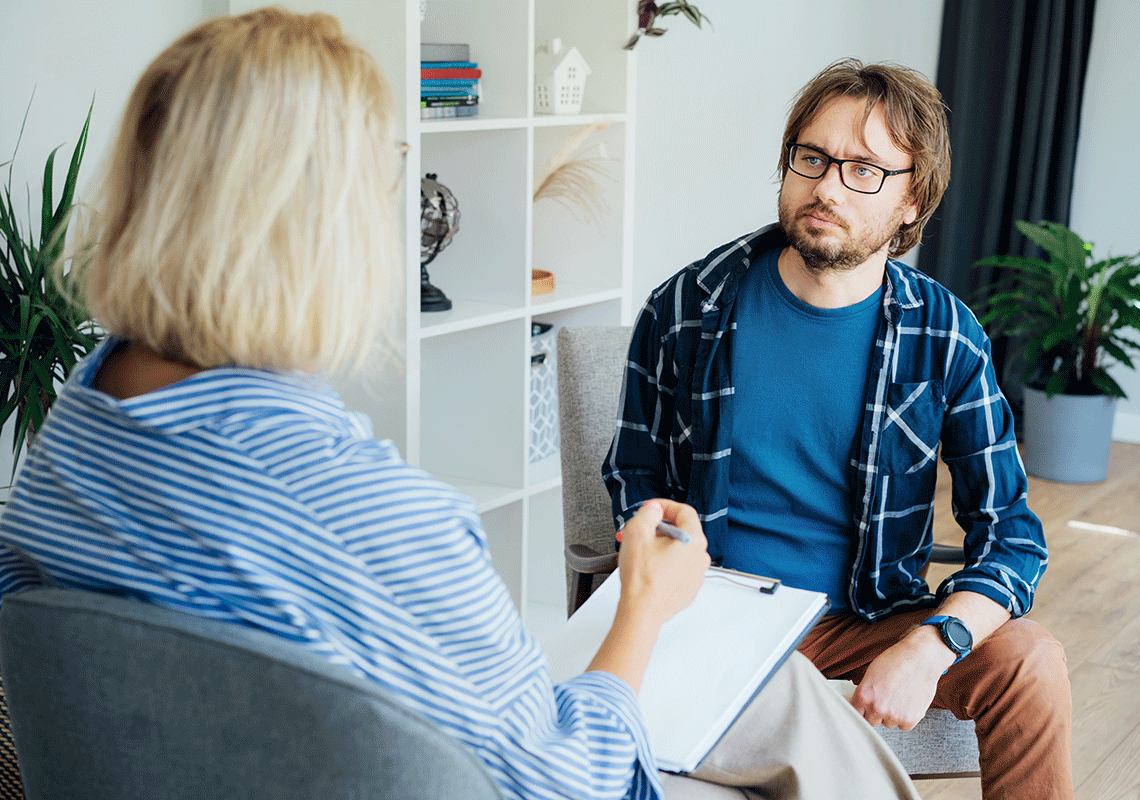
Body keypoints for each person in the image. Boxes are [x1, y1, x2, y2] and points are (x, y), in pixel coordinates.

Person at [0, 13, 922, 800]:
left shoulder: (63, 454)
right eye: (387, 169)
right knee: (781, 702)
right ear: (319, 223)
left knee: (774, 699)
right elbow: (572, 779)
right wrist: (642, 604)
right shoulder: (377, 515)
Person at [604, 58, 1073, 800]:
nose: (825, 186)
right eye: (812, 158)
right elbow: (633, 480)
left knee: (1031, 659)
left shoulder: (945, 335)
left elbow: (1012, 535)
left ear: (912, 200)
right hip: (713, 614)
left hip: (867, 617)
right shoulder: (689, 307)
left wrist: (930, 645)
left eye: (863, 170)